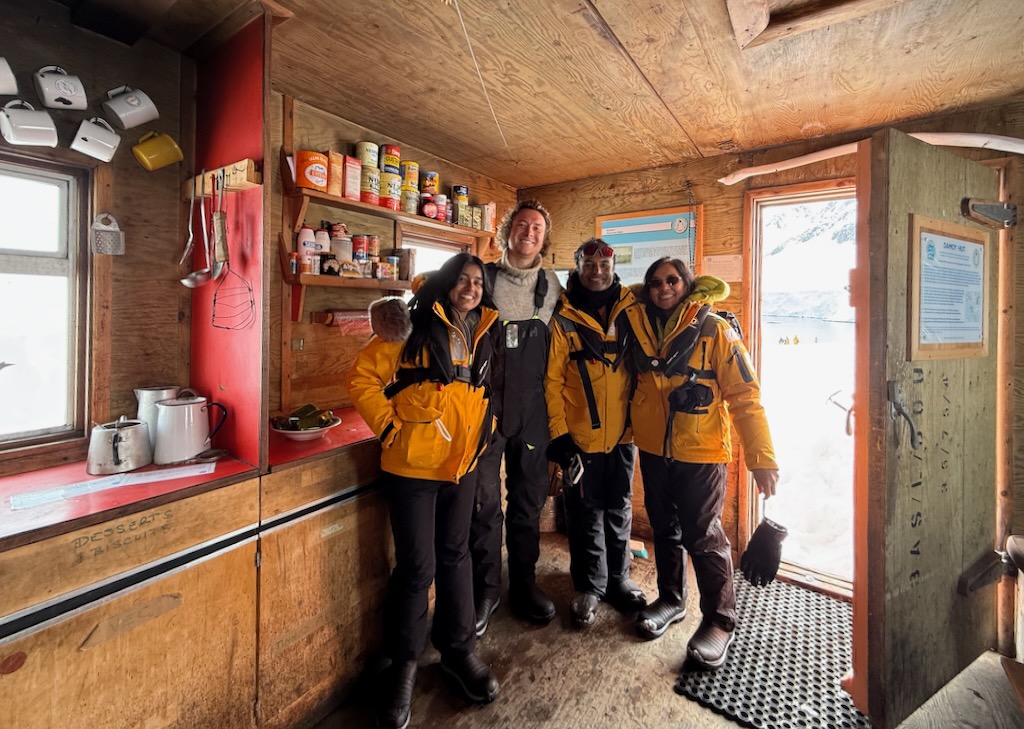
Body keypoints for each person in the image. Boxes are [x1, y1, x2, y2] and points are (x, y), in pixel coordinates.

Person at [347, 253, 501, 729]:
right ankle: (404, 665)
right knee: (418, 567)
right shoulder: (409, 327)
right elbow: (362, 379)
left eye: (478, 282)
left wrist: (485, 434)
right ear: (447, 283)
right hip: (412, 465)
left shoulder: (483, 331)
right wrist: (391, 430)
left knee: (456, 556)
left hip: (463, 465)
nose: (471, 288)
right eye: (463, 280)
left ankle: (458, 651)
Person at [623, 257, 779, 670]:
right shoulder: (638, 326)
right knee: (664, 530)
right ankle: (672, 599)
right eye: (655, 282)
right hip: (655, 451)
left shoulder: (716, 329)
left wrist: (762, 458)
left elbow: (746, 396)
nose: (663, 288)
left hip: (702, 453)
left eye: (672, 280)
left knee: (705, 537)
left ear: (687, 284)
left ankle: (720, 621)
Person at [471, 200, 563, 635]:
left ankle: (523, 584)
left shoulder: (553, 285)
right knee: (484, 505)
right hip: (484, 411)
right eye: (522, 224)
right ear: (506, 231)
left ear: (544, 237)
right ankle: (484, 591)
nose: (530, 232)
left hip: (533, 412)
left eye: (538, 227)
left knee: (527, 503)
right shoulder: (480, 278)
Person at [544, 238, 647, 627]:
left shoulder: (631, 309)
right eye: (589, 264)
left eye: (604, 265)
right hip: (581, 438)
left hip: (623, 436)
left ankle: (619, 579)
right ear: (578, 267)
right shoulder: (564, 317)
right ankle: (590, 586)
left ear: (613, 266)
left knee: (619, 508)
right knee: (585, 512)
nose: (597, 271)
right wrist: (559, 435)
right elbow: (551, 382)